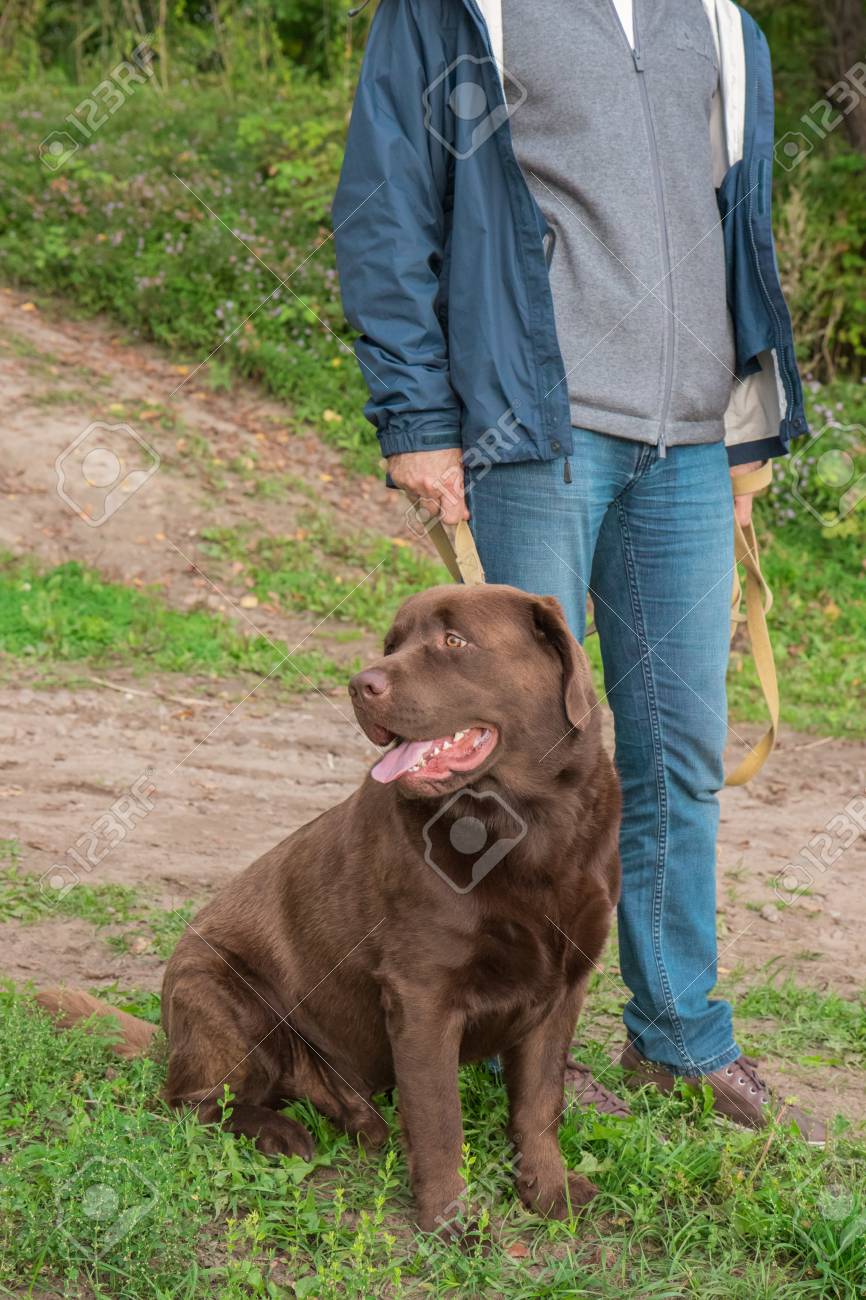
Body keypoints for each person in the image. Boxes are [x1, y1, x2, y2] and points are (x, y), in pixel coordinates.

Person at [333, 0, 823, 1142]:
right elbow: (386, 198)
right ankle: (452, 1020)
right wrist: (414, 412)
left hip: (690, 447)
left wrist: (745, 424)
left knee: (676, 750)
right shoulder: (461, 8)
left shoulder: (718, 21)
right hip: (532, 432)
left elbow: (730, 225)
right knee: (496, 757)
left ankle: (676, 1041)